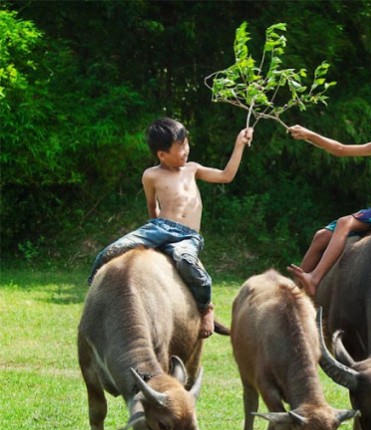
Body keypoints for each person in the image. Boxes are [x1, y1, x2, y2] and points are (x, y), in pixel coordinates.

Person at [88, 117, 253, 337]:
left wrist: (239, 144)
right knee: (111, 251)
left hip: (188, 236)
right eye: (180, 148)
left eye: (186, 144)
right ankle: (93, 295)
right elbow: (151, 206)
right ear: (162, 155)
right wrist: (150, 237)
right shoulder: (151, 175)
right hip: (159, 228)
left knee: (186, 261)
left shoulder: (193, 169)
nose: (186, 150)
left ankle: (206, 308)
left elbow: (226, 176)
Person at [287, 87, 371, 297]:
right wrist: (308, 135)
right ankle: (295, 292)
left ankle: (314, 278)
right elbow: (340, 149)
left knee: (344, 223)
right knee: (321, 236)